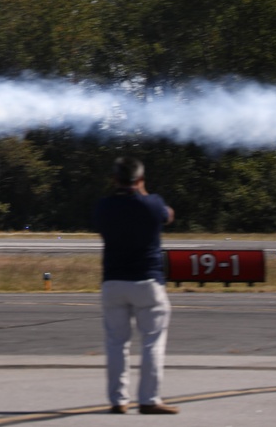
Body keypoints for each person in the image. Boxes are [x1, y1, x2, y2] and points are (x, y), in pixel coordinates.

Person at [93, 156, 179, 415]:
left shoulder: (103, 207)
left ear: (115, 180)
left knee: (116, 343)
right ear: (140, 180)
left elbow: (101, 224)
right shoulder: (153, 204)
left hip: (113, 281)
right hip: (147, 281)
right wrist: (143, 192)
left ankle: (119, 400)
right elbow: (169, 216)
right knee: (152, 341)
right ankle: (149, 399)